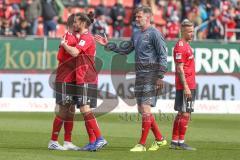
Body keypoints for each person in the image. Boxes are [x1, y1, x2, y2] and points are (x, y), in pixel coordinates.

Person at [95, 6, 168, 152]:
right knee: (141, 109)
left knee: (146, 108)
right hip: (139, 74)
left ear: (148, 17)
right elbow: (126, 49)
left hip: (151, 74)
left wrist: (160, 76)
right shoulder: (136, 34)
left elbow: (163, 55)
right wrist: (108, 45)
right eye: (135, 16)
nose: (136, 19)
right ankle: (160, 139)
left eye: (139, 16)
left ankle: (141, 144)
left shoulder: (155, 34)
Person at [61, 12, 108, 151]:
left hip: (87, 77)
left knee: (84, 108)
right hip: (84, 77)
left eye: (75, 22)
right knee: (84, 108)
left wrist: (64, 44)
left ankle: (100, 138)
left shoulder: (86, 38)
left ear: (82, 23)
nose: (74, 24)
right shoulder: (85, 37)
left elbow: (75, 52)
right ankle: (93, 141)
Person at [48, 13, 80, 151]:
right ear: (73, 24)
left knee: (71, 110)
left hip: (73, 78)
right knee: (63, 109)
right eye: (78, 22)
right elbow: (60, 56)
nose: (80, 25)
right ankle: (53, 141)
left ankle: (67, 141)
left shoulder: (75, 38)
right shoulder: (68, 37)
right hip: (64, 78)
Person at [170, 19, 196, 151]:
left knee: (182, 113)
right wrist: (186, 86)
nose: (192, 34)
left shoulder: (187, 45)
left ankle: (175, 141)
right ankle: (180, 141)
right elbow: (179, 68)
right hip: (185, 85)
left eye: (193, 31)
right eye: (190, 31)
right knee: (185, 114)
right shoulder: (181, 46)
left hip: (189, 84)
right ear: (183, 32)